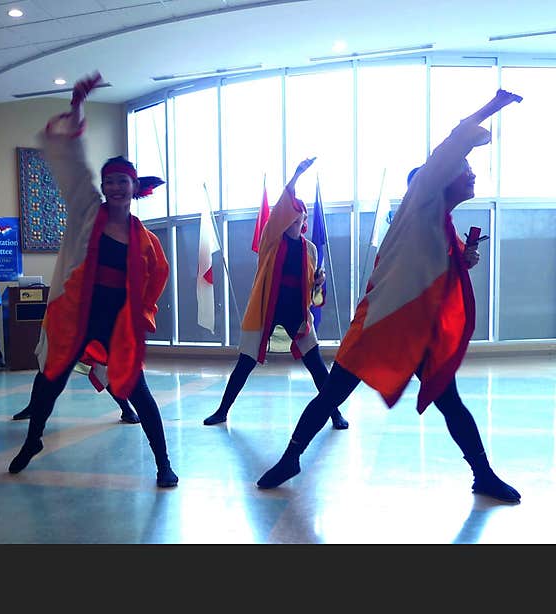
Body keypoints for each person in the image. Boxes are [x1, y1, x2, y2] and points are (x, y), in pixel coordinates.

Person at [257, 89, 523, 503]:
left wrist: (463, 259)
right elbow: (453, 142)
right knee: (332, 394)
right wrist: (493, 106)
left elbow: (432, 271)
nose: (471, 173)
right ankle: (291, 457)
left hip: (414, 332)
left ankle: (483, 474)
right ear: (437, 177)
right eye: (465, 167)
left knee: (450, 402)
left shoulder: (441, 222)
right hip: (381, 324)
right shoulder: (421, 200)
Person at [7, 72, 178, 488]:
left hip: (116, 323)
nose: (115, 187)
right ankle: (33, 440)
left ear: (134, 187)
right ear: (103, 186)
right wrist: (78, 106)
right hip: (78, 316)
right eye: (110, 181)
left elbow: (158, 279)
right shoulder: (88, 212)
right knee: (50, 380)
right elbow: (75, 165)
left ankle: (163, 463)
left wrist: (138, 315)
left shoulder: (147, 241)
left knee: (139, 391)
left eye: (123, 181)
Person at [203, 158, 348, 430]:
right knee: (245, 362)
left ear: (304, 220)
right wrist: (295, 176)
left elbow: (316, 297)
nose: (294, 218)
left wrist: (319, 282)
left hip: (297, 313)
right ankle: (222, 410)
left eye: (300, 215)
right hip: (267, 309)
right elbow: (282, 206)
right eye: (291, 214)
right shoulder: (272, 239)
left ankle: (335, 414)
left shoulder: (311, 250)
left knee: (317, 366)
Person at [11, 361, 141, 424]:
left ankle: (126, 409)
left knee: (100, 368)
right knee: (46, 366)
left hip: (85, 323)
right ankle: (32, 408)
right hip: (62, 322)